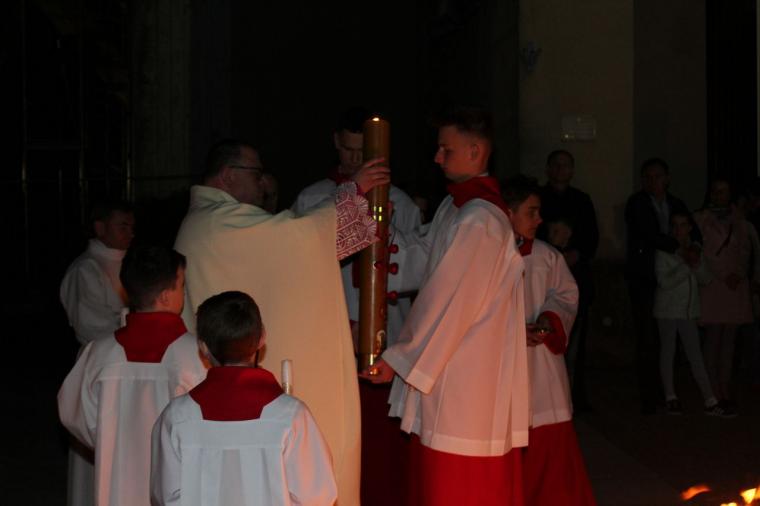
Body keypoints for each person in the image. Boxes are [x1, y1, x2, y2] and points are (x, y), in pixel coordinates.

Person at [174, 139, 388, 505]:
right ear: (228, 175)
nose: (262, 183)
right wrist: (354, 191)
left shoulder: (208, 220)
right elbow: (298, 236)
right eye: (256, 174)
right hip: (235, 399)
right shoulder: (215, 221)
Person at [362, 107, 529, 505]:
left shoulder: (479, 219)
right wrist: (383, 238)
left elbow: (449, 302)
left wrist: (399, 358)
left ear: (475, 152)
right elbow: (426, 258)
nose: (437, 158)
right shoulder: (457, 208)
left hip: (466, 382)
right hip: (448, 372)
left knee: (459, 489)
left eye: (445, 149)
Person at [151, 291, 337, 506]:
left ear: (202, 347)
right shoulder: (290, 416)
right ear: (262, 338)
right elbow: (316, 496)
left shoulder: (177, 417)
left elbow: (165, 497)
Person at [58, 245, 207, 505]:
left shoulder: (99, 354)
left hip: (116, 484)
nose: (184, 293)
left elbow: (74, 414)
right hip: (178, 487)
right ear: (166, 296)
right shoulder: (196, 356)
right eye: (182, 285)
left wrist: (109, 438)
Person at [292, 106, 422, 347]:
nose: (354, 159)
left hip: (389, 327)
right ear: (336, 142)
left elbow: (412, 270)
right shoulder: (310, 199)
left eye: (362, 151)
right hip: (329, 325)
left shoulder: (402, 204)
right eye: (348, 149)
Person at [502, 174, 596, 506]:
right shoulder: (487, 255)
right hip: (503, 365)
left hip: (542, 367)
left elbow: (566, 295)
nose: (540, 219)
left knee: (551, 465)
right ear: (508, 212)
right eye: (532, 212)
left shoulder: (546, 255)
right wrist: (513, 330)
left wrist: (548, 319)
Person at [59, 200, 135, 506]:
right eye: (122, 226)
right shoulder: (86, 269)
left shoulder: (130, 265)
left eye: (132, 227)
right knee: (98, 441)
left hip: (125, 364)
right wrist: (134, 321)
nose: (130, 233)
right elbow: (89, 324)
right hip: (99, 364)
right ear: (100, 227)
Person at [625, 158, 695, 414]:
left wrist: (693, 249)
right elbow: (648, 233)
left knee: (670, 337)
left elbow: (693, 230)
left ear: (667, 178)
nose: (653, 181)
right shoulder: (637, 203)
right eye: (648, 176)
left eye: (658, 176)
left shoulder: (676, 204)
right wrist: (678, 248)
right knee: (647, 336)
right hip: (645, 278)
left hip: (672, 279)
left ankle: (669, 390)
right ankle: (650, 395)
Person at [538, 150, 598, 411]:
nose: (560, 169)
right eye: (556, 165)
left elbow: (591, 237)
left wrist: (576, 254)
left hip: (575, 277)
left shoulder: (581, 200)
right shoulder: (539, 198)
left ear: (572, 170)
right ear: (548, 168)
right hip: (545, 279)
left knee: (575, 344)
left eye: (566, 165)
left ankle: (575, 396)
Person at [693, 179, 760, 415]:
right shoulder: (700, 219)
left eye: (723, 191)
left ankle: (725, 389)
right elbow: (703, 252)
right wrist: (723, 273)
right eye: (715, 191)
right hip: (713, 285)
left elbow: (746, 251)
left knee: (729, 341)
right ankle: (712, 391)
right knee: (713, 340)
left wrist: (738, 273)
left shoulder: (740, 220)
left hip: (734, 286)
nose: (718, 195)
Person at [653, 212, 726, 416]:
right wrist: (686, 265)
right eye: (675, 225)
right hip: (667, 311)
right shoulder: (664, 251)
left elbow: (705, 279)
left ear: (690, 228)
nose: (679, 230)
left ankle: (710, 399)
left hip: (688, 312)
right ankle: (670, 396)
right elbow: (664, 282)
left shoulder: (695, 249)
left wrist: (696, 262)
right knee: (668, 352)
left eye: (683, 225)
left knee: (695, 354)